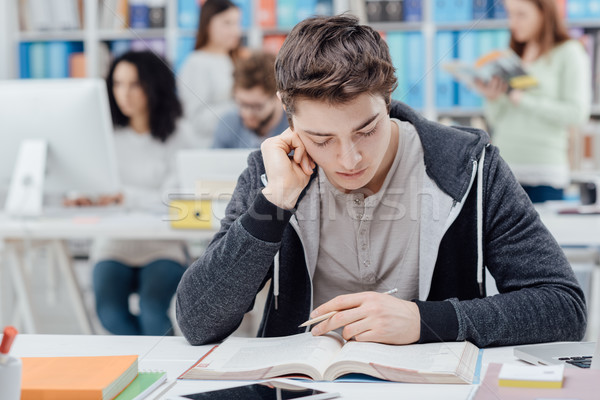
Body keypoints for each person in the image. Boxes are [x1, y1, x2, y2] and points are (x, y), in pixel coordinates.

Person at [176, 16, 586, 348]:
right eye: (322, 140)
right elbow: (197, 320)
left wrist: (425, 321)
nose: (349, 159)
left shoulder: (471, 165)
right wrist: (275, 201)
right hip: (299, 387)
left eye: (366, 129)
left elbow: (563, 306)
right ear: (290, 120)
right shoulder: (270, 172)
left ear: (387, 100)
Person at [75, 51, 194, 335]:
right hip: (113, 244)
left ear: (154, 86)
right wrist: (82, 194)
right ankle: (140, 369)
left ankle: (160, 369)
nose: (123, 94)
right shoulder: (103, 134)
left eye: (134, 84)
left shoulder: (180, 133)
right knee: (109, 314)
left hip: (162, 244)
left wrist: (123, 196)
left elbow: (176, 199)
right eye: (117, 84)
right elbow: (91, 182)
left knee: (153, 313)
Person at [477, 0, 590, 203]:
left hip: (544, 174)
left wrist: (523, 99)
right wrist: (492, 98)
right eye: (510, 14)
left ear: (544, 14)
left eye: (521, 15)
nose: (513, 23)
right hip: (505, 171)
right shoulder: (513, 55)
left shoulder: (569, 52)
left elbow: (577, 112)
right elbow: (497, 120)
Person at [178, 0, 243, 147]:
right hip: (206, 149)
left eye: (237, 23)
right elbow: (196, 120)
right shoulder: (196, 63)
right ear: (207, 25)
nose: (236, 31)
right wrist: (241, 106)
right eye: (227, 23)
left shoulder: (232, 60)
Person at [212, 51, 288, 148]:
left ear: (278, 98)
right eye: (242, 104)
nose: (246, 113)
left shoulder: (293, 127)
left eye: (256, 106)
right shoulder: (229, 123)